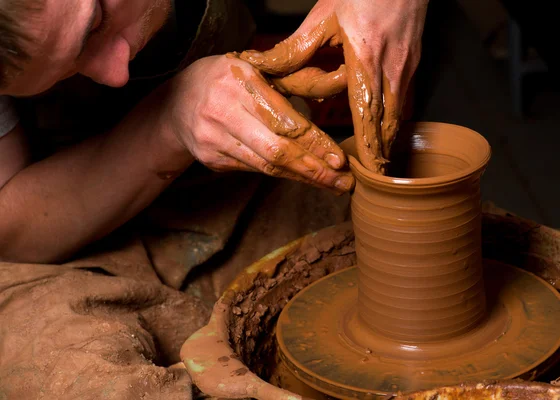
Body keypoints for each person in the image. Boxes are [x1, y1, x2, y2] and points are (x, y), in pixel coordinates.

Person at [0, 0, 428, 398]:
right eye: (65, 72)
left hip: (229, 182)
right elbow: (13, 232)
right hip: (64, 241)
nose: (115, 72)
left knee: (413, 258)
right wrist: (169, 121)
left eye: (96, 24)